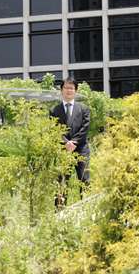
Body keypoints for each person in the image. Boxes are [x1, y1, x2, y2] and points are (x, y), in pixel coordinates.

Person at [50, 77, 90, 206]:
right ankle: (59, 211)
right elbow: (54, 130)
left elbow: (85, 129)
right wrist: (66, 143)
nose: (69, 90)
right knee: (61, 181)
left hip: (81, 150)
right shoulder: (54, 110)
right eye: (66, 88)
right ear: (61, 90)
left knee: (84, 180)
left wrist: (73, 143)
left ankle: (86, 209)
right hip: (63, 150)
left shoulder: (84, 109)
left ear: (75, 91)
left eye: (71, 88)